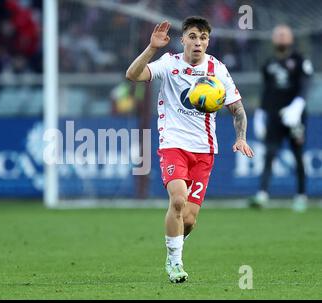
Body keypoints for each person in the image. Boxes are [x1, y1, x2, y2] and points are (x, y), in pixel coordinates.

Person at [126, 17, 254, 283]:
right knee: (177, 200)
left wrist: (241, 137)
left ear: (208, 41)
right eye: (193, 36)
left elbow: (237, 109)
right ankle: (175, 263)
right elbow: (133, 75)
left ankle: (172, 247)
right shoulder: (169, 63)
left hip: (204, 149)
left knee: (189, 220)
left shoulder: (217, 69)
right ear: (182, 39)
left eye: (203, 37)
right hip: (173, 144)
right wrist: (152, 48)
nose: (198, 42)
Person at [250, 24, 313, 212]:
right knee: (269, 153)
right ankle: (262, 194)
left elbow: (306, 84)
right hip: (275, 116)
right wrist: (260, 113)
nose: (281, 37)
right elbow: (267, 91)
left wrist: (297, 105)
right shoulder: (269, 64)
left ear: (291, 39)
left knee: (298, 154)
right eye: (278, 35)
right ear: (273, 39)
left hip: (295, 116)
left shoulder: (301, 60)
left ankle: (301, 195)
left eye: (284, 34)